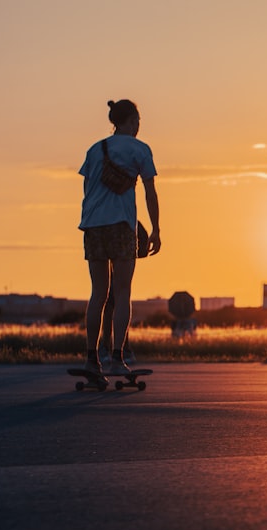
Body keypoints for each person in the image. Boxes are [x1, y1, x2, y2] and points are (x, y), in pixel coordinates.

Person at [78, 99, 160, 375]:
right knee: (122, 292)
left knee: (98, 294)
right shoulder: (139, 149)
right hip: (121, 226)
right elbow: (150, 192)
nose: (138, 126)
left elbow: (87, 190)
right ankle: (117, 358)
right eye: (137, 121)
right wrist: (155, 229)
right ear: (132, 120)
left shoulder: (94, 150)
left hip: (92, 227)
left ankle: (91, 358)